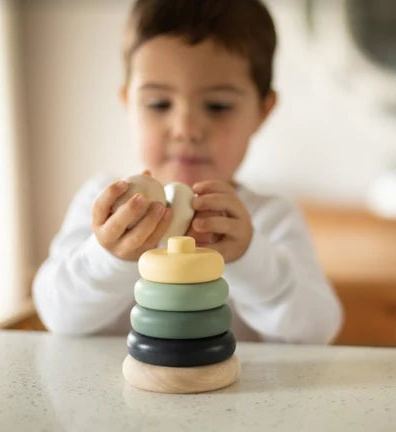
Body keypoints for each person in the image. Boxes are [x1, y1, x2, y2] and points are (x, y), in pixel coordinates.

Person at [33, 0, 342, 343]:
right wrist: (108, 257)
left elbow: (318, 329)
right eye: (159, 104)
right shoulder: (106, 207)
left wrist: (248, 257)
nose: (186, 128)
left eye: (218, 106)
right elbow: (55, 314)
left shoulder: (269, 218)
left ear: (262, 112)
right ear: (128, 104)